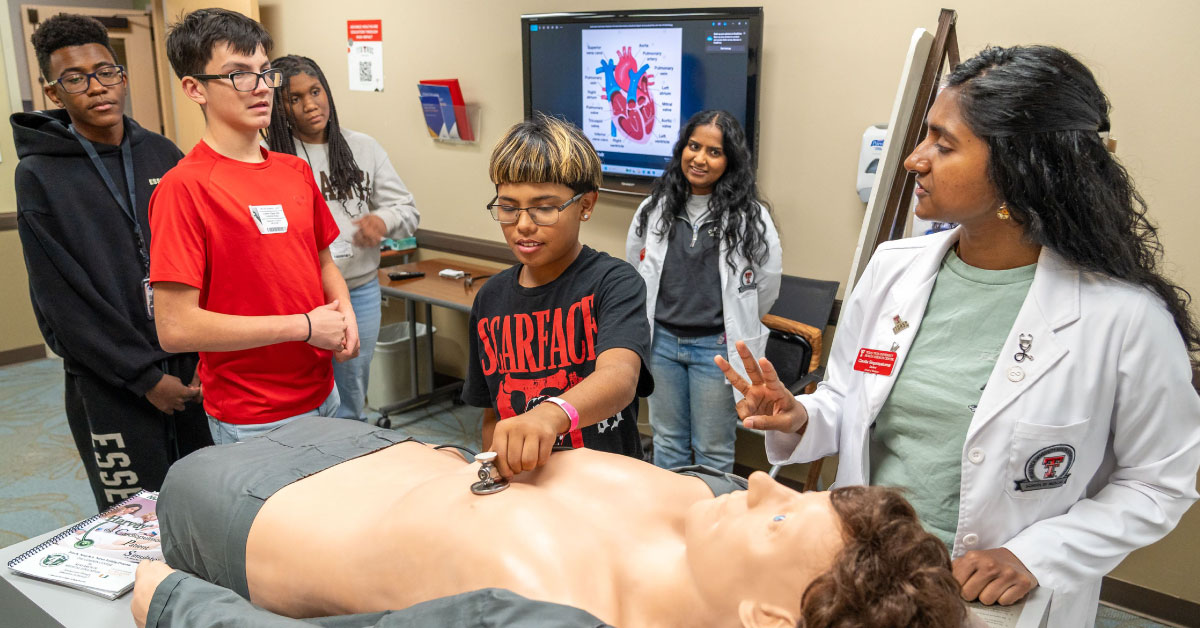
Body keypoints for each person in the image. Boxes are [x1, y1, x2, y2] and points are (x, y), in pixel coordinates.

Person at [718, 46, 1200, 626]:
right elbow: (848, 399)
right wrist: (798, 417)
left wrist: (1034, 555)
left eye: (944, 145)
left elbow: (1158, 484)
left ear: (1021, 167)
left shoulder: (1124, 317)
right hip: (863, 575)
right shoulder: (894, 267)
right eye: (926, 137)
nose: (914, 160)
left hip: (990, 601)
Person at [129, 416, 965, 628]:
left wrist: (168, 601)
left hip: (244, 505)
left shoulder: (548, 619)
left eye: (780, 523)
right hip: (384, 445)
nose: (758, 482)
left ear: (770, 619)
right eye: (792, 491)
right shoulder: (695, 511)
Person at [12, 13, 212, 510]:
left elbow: (205, 259)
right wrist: (145, 379)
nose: (96, 88)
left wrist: (208, 356)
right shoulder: (38, 175)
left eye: (106, 71)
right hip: (111, 380)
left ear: (121, 76)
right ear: (54, 93)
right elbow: (62, 302)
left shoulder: (163, 154)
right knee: (135, 519)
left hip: (189, 364)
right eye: (75, 78)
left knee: (209, 501)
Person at [149, 9, 359, 444]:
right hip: (253, 416)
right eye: (238, 75)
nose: (261, 86)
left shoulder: (293, 171)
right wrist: (304, 326)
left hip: (323, 395)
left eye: (265, 72)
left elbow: (323, 262)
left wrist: (344, 313)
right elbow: (175, 328)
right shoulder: (184, 187)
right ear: (194, 88)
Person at [462, 114, 653, 477]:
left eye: (544, 207)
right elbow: (492, 414)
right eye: (507, 207)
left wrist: (550, 415)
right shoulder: (490, 298)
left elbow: (619, 377)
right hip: (528, 492)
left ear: (586, 205)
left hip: (606, 486)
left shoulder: (614, 282)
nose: (523, 224)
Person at [265, 54, 420, 421]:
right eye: (295, 98)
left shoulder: (363, 147)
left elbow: (408, 210)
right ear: (280, 108)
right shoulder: (273, 158)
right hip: (299, 300)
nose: (310, 104)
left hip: (360, 290)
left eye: (316, 91)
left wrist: (381, 221)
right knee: (303, 395)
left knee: (351, 394)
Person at [626, 110, 781, 472]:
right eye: (693, 146)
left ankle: (712, 524)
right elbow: (636, 266)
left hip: (716, 351)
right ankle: (672, 521)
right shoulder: (655, 208)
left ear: (730, 161)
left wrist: (738, 321)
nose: (699, 158)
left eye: (714, 151)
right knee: (667, 441)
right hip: (661, 343)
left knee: (713, 448)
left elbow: (767, 283)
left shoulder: (749, 218)